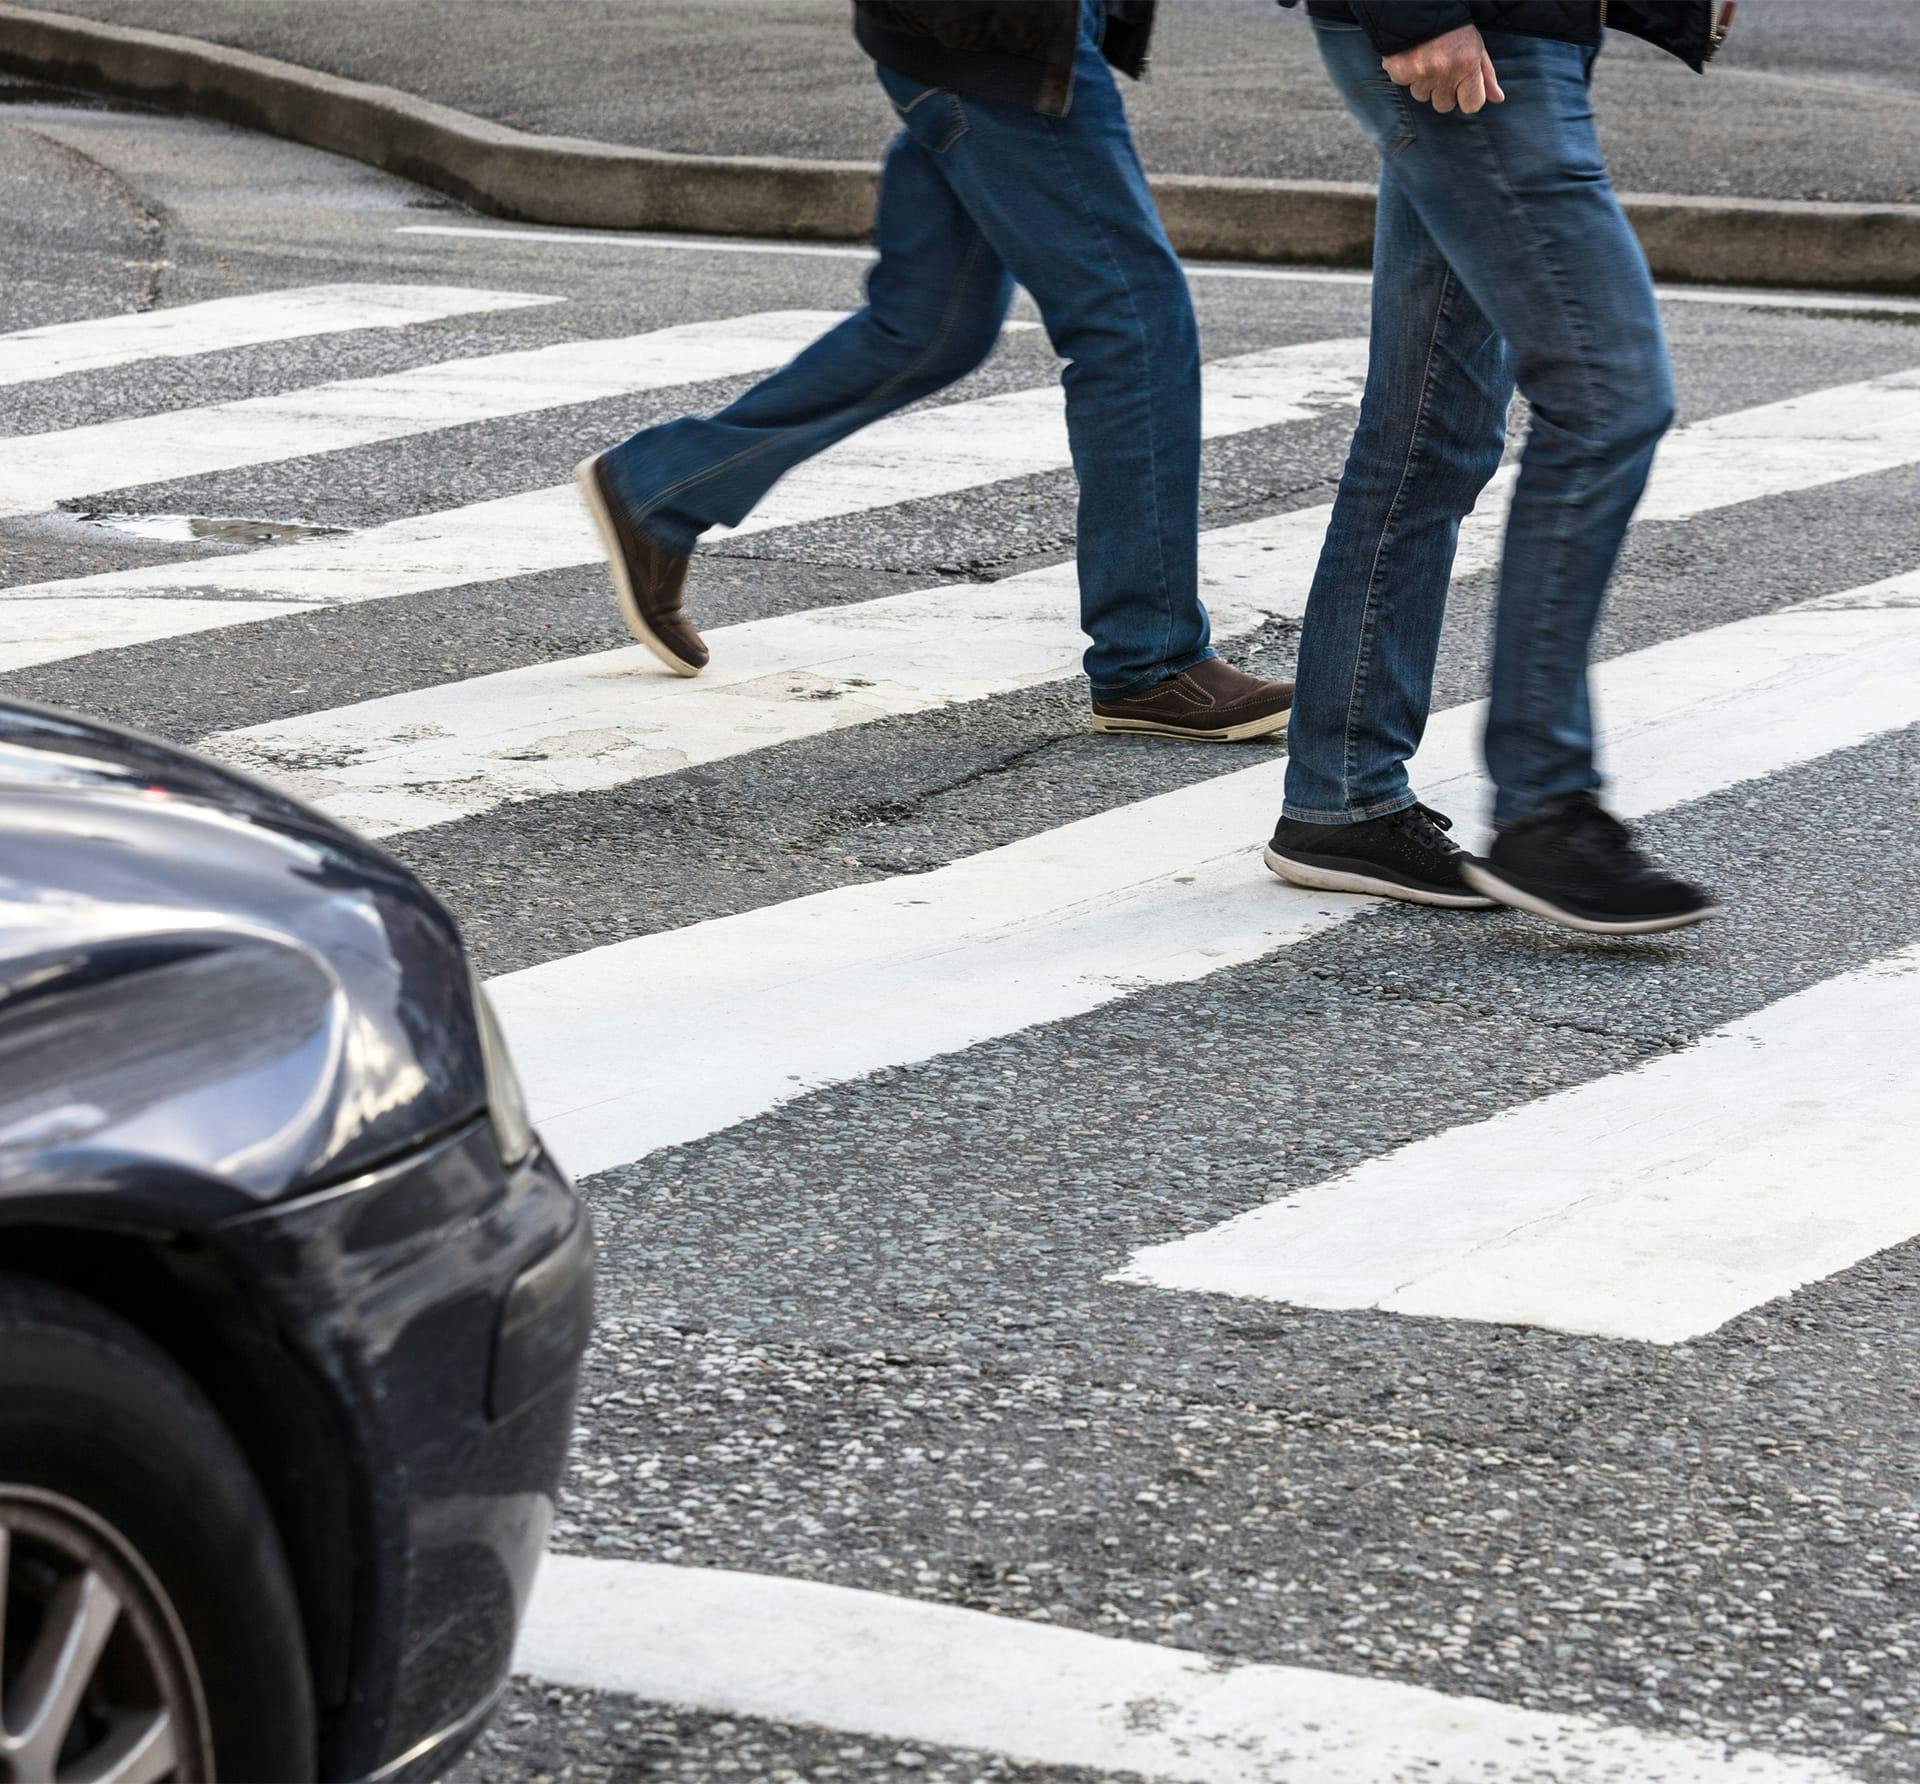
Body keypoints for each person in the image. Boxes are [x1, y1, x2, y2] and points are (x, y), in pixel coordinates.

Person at [576, 0, 1294, 743]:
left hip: (964, 38)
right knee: (1135, 326)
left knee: (930, 328)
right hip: (997, 35)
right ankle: (1152, 661)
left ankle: (661, 487)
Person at [1263, 0, 1731, 933]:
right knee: (1609, 399)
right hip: (1467, 37)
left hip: (1516, 36)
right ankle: (1544, 809)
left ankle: (1341, 796)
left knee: (1428, 427)